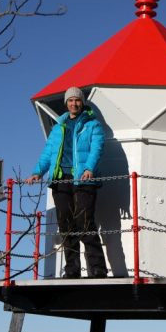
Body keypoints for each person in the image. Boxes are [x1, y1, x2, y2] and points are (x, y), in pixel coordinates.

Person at [25, 87, 107, 278]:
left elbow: (97, 148)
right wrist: (38, 172)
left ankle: (98, 269)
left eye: (77, 100)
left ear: (82, 102)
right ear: (66, 103)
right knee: (66, 225)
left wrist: (89, 168)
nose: (74, 104)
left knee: (85, 223)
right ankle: (72, 269)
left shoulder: (92, 125)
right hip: (60, 179)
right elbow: (48, 153)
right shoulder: (58, 128)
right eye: (70, 100)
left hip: (83, 179)